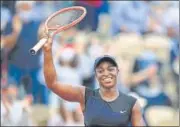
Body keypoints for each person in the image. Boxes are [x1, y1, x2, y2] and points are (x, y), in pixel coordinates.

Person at [42, 36, 145, 126]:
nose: (106, 73)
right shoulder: (86, 96)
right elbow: (53, 84)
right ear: (96, 75)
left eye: (110, 69)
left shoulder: (131, 103)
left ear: (117, 71)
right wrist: (47, 53)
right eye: (101, 70)